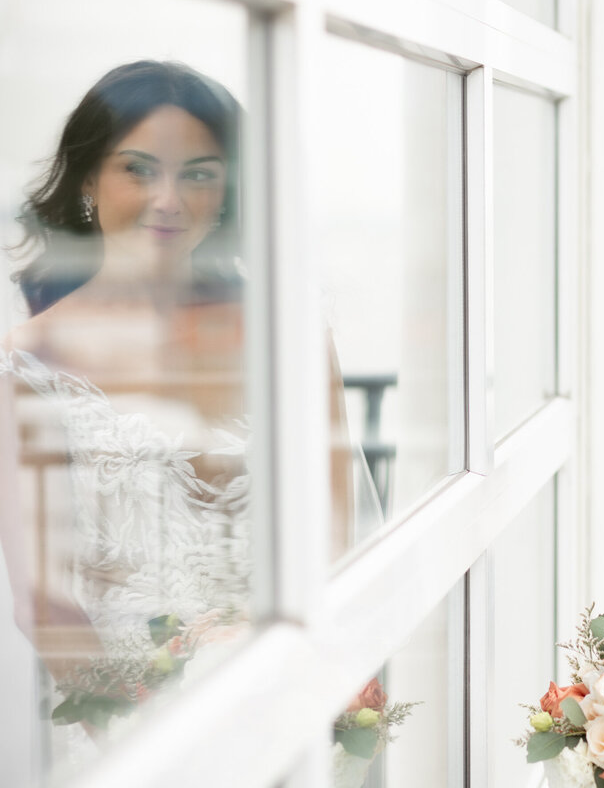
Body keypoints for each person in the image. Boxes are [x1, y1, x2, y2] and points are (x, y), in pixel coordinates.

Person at [0, 60, 352, 746]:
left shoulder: (296, 336)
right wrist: (157, 745)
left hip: (287, 712)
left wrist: (300, 704)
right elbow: (46, 601)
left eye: (197, 172)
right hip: (126, 734)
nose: (169, 198)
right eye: (138, 169)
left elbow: (334, 542)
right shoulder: (31, 363)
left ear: (227, 191)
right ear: (86, 181)